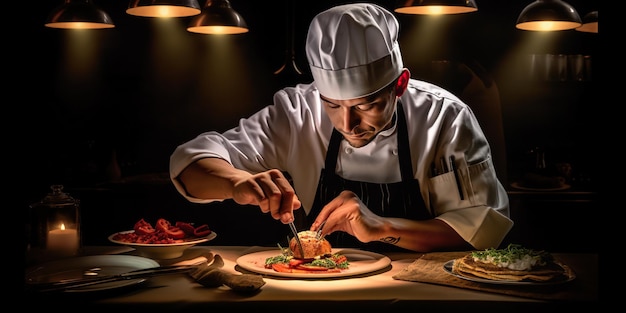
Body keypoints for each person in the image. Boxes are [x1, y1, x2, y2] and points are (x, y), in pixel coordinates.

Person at [169, 3, 513, 252]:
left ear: (400, 84)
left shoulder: (445, 118)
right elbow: (190, 166)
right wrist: (236, 182)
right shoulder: (297, 110)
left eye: (368, 105)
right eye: (332, 105)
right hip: (317, 291)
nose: (348, 124)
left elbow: (482, 230)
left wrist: (383, 227)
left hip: (423, 291)